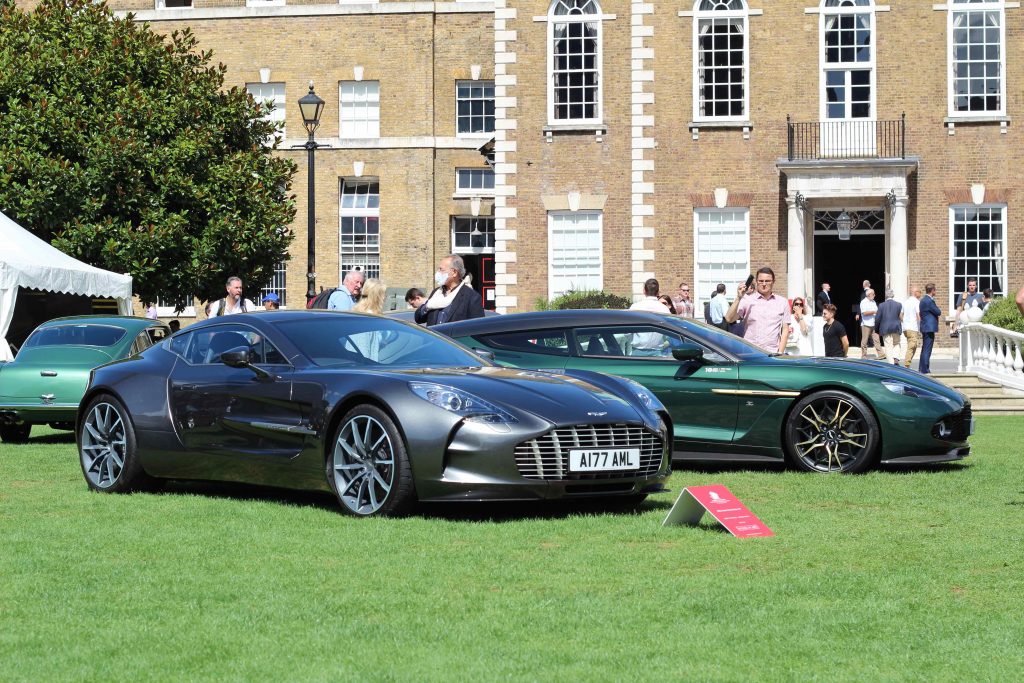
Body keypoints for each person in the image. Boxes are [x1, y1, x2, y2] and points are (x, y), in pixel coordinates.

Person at [724, 267, 791, 354]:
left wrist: (780, 352)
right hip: (750, 352)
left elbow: (785, 329)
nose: (764, 284)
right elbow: (729, 319)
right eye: (761, 281)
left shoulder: (782, 302)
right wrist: (738, 298)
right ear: (756, 282)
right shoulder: (747, 300)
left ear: (773, 281)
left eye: (767, 281)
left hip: (773, 353)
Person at [416, 254, 485, 326]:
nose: (438, 273)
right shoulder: (436, 293)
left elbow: (477, 327)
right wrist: (426, 307)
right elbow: (419, 319)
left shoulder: (471, 297)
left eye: (441, 269)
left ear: (454, 272)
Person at [630, 278, 671, 355]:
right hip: (657, 352)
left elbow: (627, 331)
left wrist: (634, 339)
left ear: (644, 291)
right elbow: (669, 331)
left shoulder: (635, 307)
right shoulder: (664, 309)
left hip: (637, 351)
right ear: (658, 292)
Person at [874, 289, 903, 365]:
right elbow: (900, 317)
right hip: (896, 327)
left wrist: (877, 330)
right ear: (893, 295)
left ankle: (891, 363)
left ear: (886, 296)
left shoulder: (881, 305)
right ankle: (896, 357)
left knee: (888, 346)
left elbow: (877, 319)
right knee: (897, 343)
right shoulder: (899, 305)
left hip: (885, 328)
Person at [918, 283, 942, 375]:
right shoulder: (929, 301)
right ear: (932, 290)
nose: (935, 291)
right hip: (929, 327)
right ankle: (925, 369)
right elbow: (938, 312)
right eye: (935, 290)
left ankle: (921, 368)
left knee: (925, 348)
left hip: (925, 327)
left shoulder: (923, 300)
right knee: (927, 349)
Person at [858, 288, 883, 360]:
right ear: (869, 295)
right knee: (864, 341)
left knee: (876, 339)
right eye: (873, 294)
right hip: (866, 324)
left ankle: (881, 354)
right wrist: (873, 312)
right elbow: (864, 313)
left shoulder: (873, 302)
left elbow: (877, 310)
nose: (874, 295)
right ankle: (864, 355)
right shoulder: (863, 302)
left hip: (873, 323)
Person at [902, 286, 922, 369]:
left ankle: (908, 364)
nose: (920, 294)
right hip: (913, 327)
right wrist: (921, 325)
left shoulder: (905, 302)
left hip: (906, 328)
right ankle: (906, 365)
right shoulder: (917, 302)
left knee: (913, 346)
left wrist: (904, 322)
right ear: (915, 292)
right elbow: (918, 315)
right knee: (912, 346)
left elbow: (900, 315)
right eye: (919, 292)